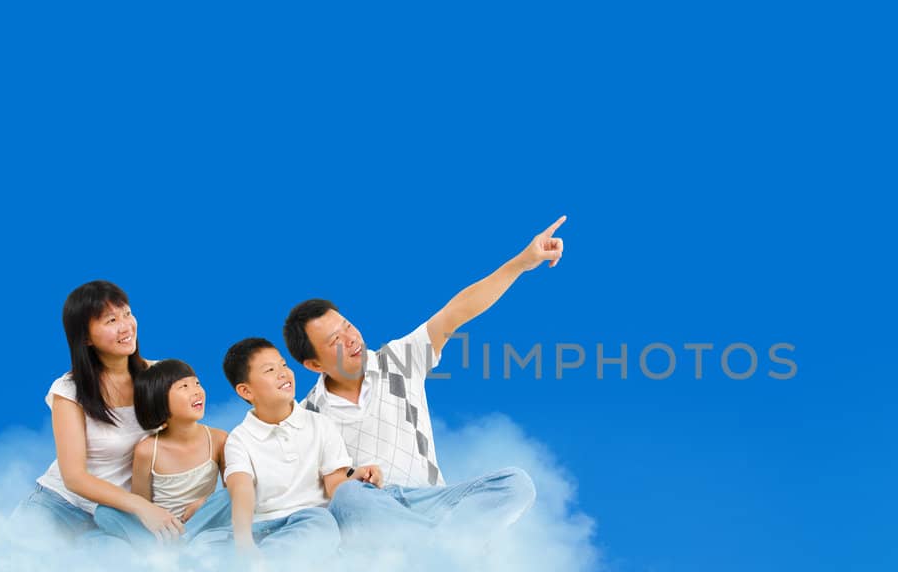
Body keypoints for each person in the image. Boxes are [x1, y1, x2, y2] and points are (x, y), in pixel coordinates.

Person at [284, 216, 566, 533]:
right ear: (313, 364)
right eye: (335, 340)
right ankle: (441, 543)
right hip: (373, 511)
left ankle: (436, 542)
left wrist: (521, 263)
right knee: (349, 498)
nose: (351, 339)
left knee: (516, 483)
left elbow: (456, 312)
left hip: (433, 502)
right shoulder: (305, 417)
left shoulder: (397, 360)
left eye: (348, 326)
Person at [14, 280, 185, 541]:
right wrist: (142, 507)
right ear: (85, 337)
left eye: (127, 314)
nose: (126, 326)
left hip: (116, 516)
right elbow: (75, 478)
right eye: (111, 320)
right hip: (59, 506)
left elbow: (185, 441)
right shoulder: (69, 391)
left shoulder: (160, 377)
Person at [219, 337, 382, 554]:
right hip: (268, 526)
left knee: (343, 510)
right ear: (246, 391)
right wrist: (244, 543)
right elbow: (241, 490)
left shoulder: (320, 424)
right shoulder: (240, 439)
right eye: (269, 370)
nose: (283, 373)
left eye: (284, 365)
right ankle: (261, 562)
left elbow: (334, 484)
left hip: (318, 523)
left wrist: (358, 476)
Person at [90, 359, 232, 548]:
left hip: (203, 520)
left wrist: (204, 503)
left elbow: (232, 488)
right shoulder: (147, 450)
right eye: (184, 386)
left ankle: (176, 543)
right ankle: (176, 544)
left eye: (197, 383)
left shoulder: (219, 439)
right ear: (160, 400)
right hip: (161, 530)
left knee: (234, 494)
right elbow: (141, 504)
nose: (196, 390)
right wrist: (155, 519)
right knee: (104, 511)